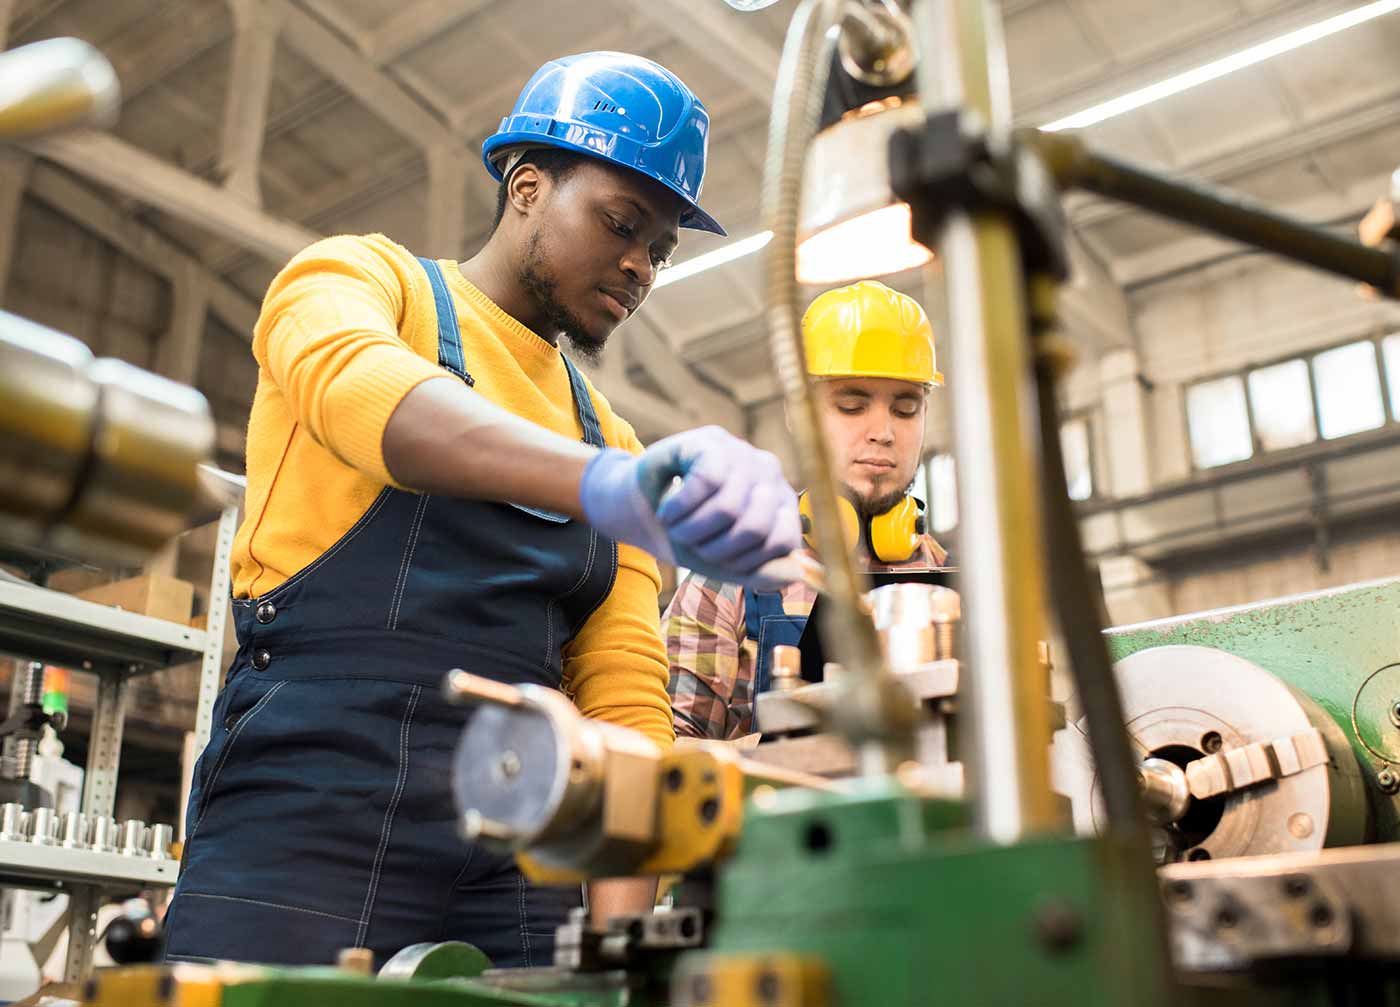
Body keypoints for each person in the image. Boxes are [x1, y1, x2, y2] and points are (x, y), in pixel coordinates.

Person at [163, 51, 800, 968]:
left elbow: (623, 700)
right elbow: (362, 391)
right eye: (622, 223)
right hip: (310, 801)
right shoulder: (364, 283)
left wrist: (622, 942)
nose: (639, 266)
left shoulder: (607, 432)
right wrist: (603, 487)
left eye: (660, 249)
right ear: (529, 185)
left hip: (525, 836)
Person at [666, 280, 950, 740]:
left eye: (905, 408)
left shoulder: (949, 580)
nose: (883, 431)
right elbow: (668, 756)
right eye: (852, 405)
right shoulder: (729, 576)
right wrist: (791, 753)